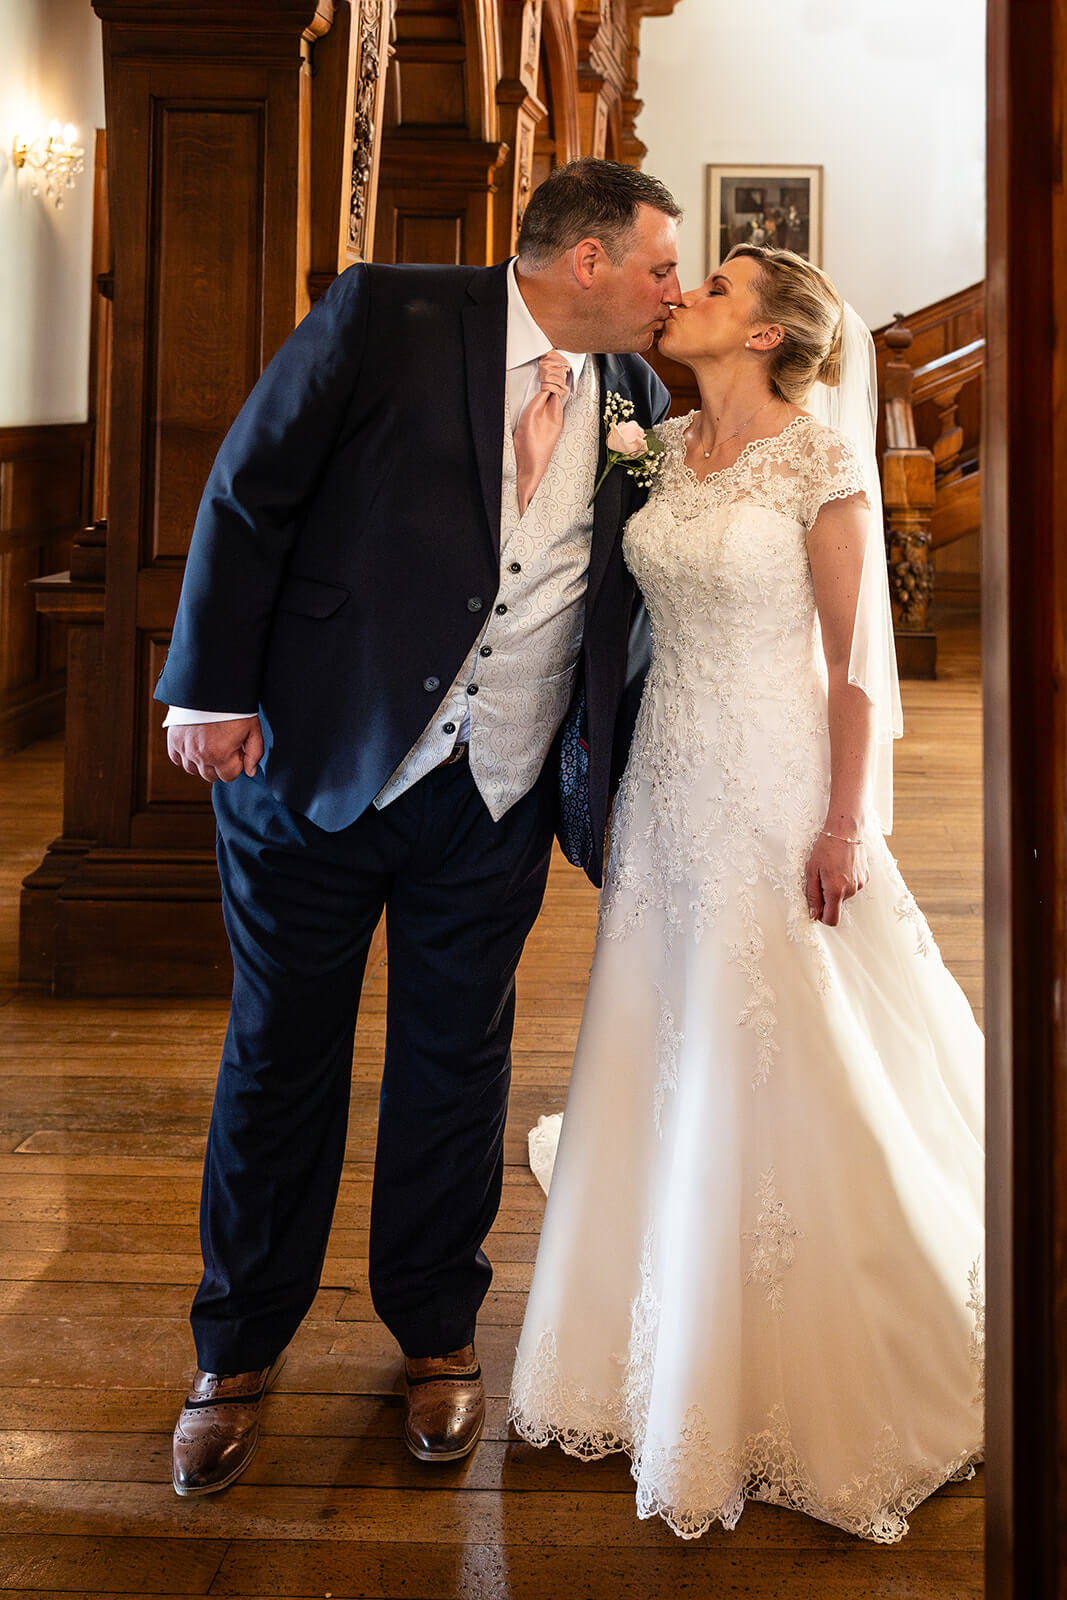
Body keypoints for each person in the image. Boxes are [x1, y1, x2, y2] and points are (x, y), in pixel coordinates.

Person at [156, 157, 681, 1496]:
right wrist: (206, 688)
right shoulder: (386, 313)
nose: (672, 292)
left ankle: (436, 1335)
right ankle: (236, 1348)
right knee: (281, 1058)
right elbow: (249, 489)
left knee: (457, 1065)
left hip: (491, 795)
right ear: (585, 263)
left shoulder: (636, 398)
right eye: (660, 266)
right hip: (312, 767)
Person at [509, 245, 984, 1543]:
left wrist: (844, 820)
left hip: (777, 786)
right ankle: (654, 1289)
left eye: (717, 289)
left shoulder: (820, 465)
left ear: (769, 336)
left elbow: (852, 669)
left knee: (779, 1029)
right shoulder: (650, 447)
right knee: (669, 1028)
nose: (690, 301)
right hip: (669, 785)